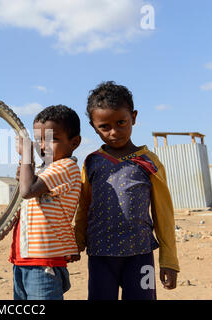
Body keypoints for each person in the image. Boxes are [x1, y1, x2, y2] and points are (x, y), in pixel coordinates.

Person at [75, 81, 180, 300]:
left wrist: (169, 260)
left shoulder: (148, 162)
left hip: (141, 255)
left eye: (121, 122)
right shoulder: (92, 162)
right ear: (94, 126)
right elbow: (84, 207)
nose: (114, 132)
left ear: (133, 116)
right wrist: (77, 242)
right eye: (104, 126)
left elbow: (163, 213)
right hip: (100, 255)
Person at [11, 104, 82, 300]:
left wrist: (26, 155)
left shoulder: (66, 166)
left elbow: (27, 191)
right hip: (23, 260)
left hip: (44, 263)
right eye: (38, 140)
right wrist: (28, 171)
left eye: (53, 140)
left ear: (74, 142)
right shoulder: (44, 170)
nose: (42, 146)